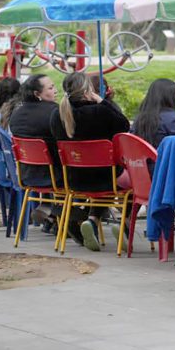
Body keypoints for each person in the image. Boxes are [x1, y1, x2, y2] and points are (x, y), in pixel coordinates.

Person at [50, 73, 130, 251]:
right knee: (134, 183)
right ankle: (125, 226)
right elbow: (124, 125)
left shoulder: (57, 114)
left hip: (73, 181)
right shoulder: (100, 111)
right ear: (87, 90)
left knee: (102, 184)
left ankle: (92, 221)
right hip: (107, 178)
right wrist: (102, 101)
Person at [8, 74, 59, 232]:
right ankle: (62, 213)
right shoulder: (54, 111)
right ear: (37, 94)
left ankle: (51, 212)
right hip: (55, 176)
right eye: (50, 88)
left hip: (27, 175)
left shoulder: (16, 114)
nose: (56, 91)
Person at [131, 79, 175, 149]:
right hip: (165, 159)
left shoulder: (140, 117)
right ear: (169, 98)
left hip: (142, 158)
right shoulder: (172, 119)